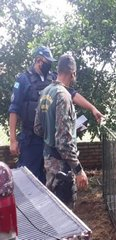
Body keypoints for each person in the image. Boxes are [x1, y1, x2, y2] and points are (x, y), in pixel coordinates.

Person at [8, 46, 103, 183]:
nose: (49, 64)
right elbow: (14, 109)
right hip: (30, 139)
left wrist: (92, 108)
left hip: (49, 141)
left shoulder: (53, 78)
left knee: (51, 180)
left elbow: (72, 93)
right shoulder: (23, 80)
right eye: (47, 61)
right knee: (28, 179)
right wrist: (12, 140)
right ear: (39, 60)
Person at [34, 53, 88, 209]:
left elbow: (37, 128)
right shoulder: (64, 96)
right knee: (66, 214)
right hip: (61, 168)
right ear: (73, 73)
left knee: (53, 210)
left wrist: (53, 131)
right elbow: (63, 142)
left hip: (49, 160)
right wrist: (78, 170)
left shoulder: (45, 92)